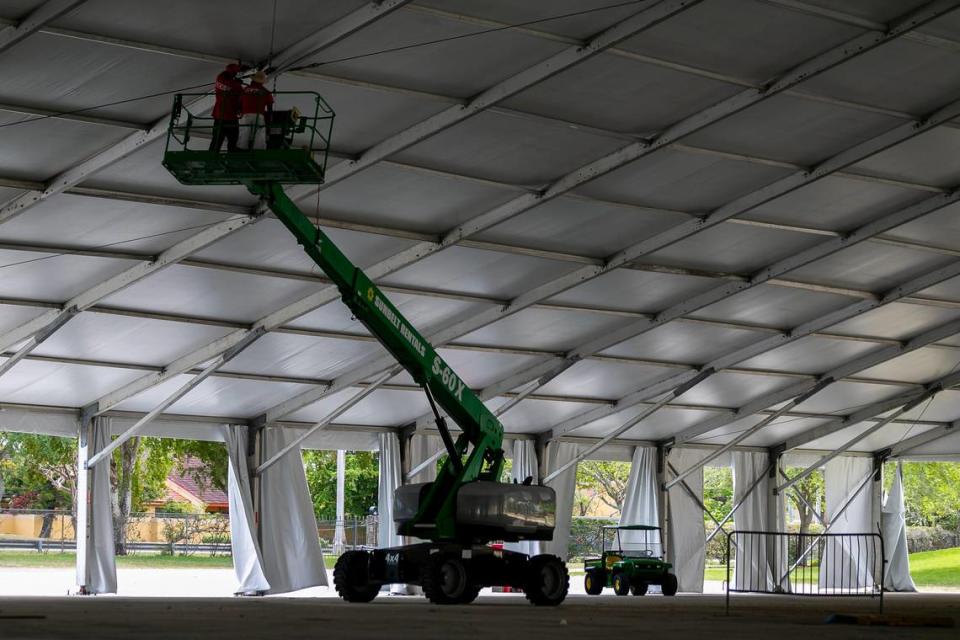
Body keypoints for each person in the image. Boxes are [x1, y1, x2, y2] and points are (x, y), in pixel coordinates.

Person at [209, 63, 244, 152]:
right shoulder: (237, 86)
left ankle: (211, 155)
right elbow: (241, 98)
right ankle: (232, 154)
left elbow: (227, 80)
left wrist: (234, 80)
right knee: (233, 139)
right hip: (230, 116)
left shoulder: (219, 78)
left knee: (216, 140)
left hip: (218, 115)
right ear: (234, 73)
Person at [240, 70, 274, 150]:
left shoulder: (245, 90)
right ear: (262, 82)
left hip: (246, 114)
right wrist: (270, 120)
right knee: (259, 133)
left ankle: (241, 149)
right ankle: (258, 150)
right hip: (259, 115)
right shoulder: (266, 92)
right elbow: (270, 107)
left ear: (253, 80)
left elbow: (239, 102)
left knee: (244, 132)